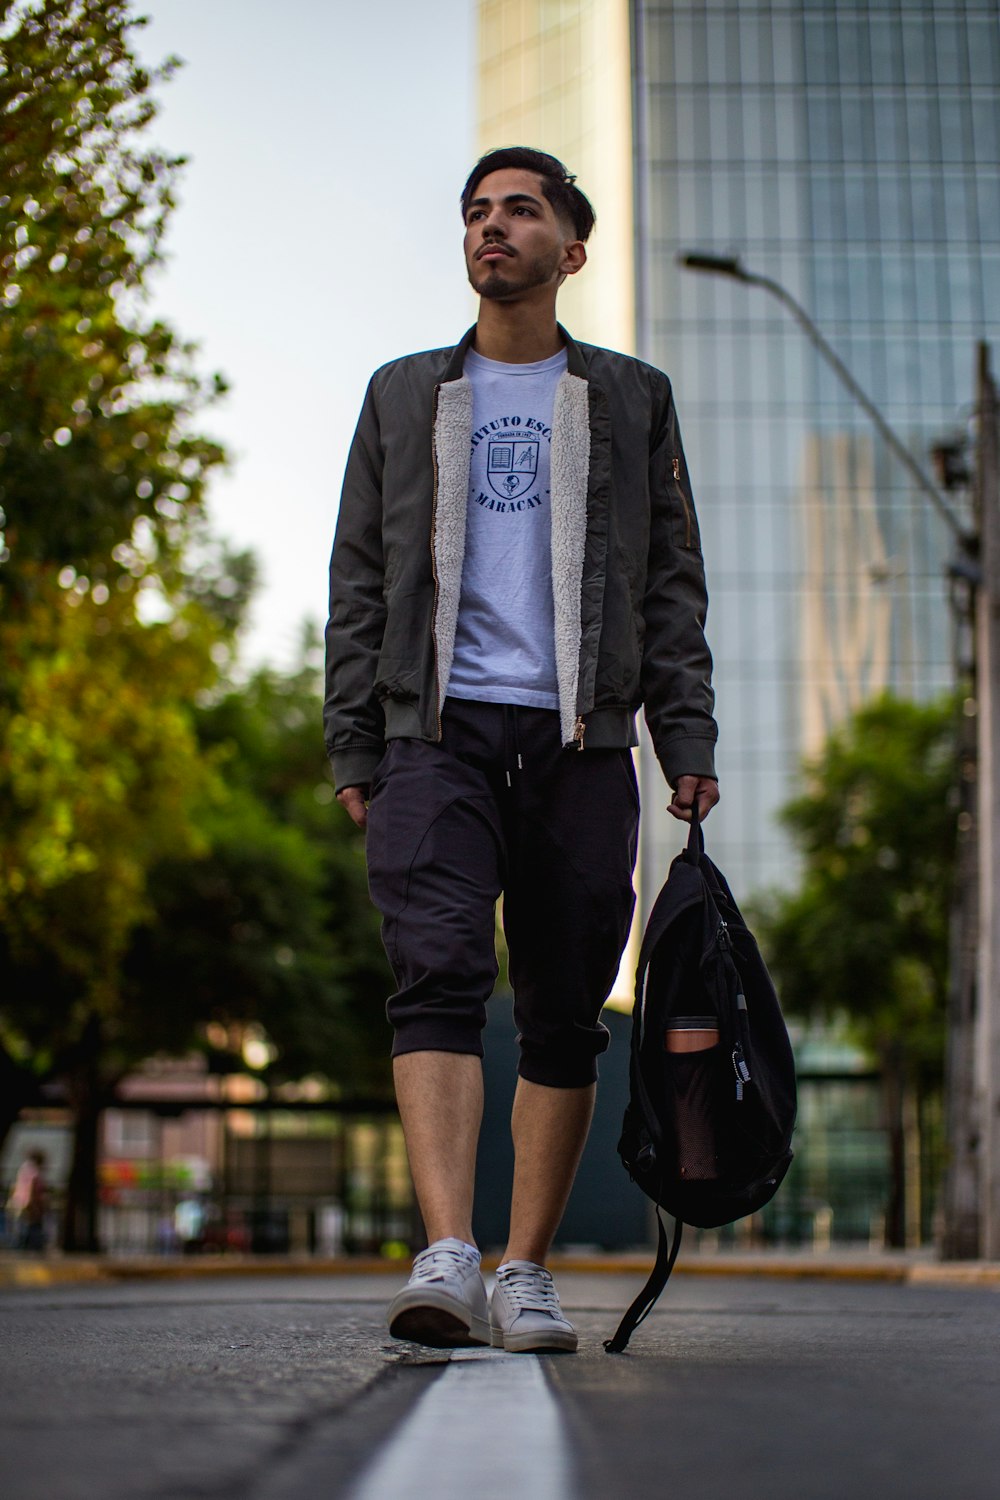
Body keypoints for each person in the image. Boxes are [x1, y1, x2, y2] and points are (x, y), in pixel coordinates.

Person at [324, 146, 719, 1354]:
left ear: (570, 249)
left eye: (520, 211)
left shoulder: (630, 397)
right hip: (432, 731)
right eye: (477, 213)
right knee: (435, 973)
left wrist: (682, 730)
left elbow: (669, 588)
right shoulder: (402, 393)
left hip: (582, 737)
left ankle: (524, 1269)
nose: (492, 229)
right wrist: (355, 739)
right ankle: (447, 1253)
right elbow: (355, 577)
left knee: (560, 1009)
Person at [9, 1149, 49, 1252]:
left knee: (20, 1225)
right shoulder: (34, 1171)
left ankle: (20, 1245)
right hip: (28, 1203)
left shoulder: (24, 1168)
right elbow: (32, 1188)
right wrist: (34, 1205)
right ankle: (27, 1246)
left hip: (20, 1201)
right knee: (29, 1225)